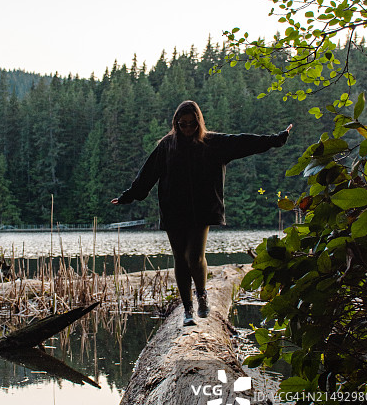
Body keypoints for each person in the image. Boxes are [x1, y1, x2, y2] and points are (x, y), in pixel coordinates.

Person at [111, 100, 292, 327]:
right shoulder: (167, 146)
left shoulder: (213, 143)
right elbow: (147, 174)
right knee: (180, 258)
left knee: (195, 257)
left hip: (202, 209)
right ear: (176, 123)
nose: (187, 128)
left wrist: (275, 140)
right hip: (173, 209)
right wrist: (129, 195)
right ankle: (187, 310)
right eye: (182, 124)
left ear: (199, 122)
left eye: (191, 124)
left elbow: (245, 143)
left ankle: (202, 294)